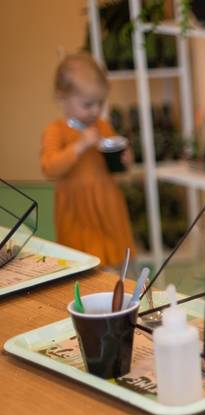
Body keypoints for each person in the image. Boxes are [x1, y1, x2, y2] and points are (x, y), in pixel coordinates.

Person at [40, 53, 135, 268]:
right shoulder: (56, 131)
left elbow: (114, 166)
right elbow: (49, 167)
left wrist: (125, 160)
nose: (95, 110)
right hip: (77, 212)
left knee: (117, 261)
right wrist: (80, 145)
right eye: (88, 104)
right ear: (61, 99)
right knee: (84, 265)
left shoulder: (101, 126)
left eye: (100, 103)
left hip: (106, 204)